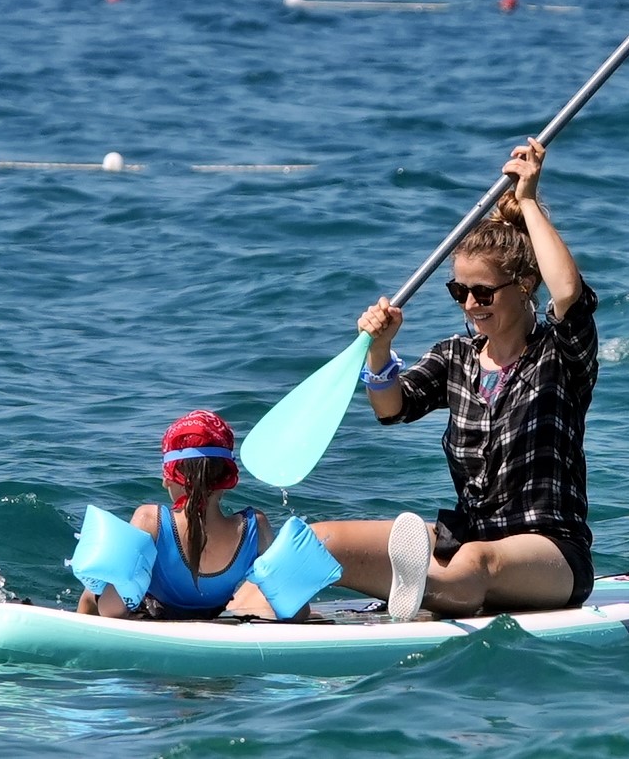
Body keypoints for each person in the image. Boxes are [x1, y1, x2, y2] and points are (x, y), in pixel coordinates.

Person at [313, 137, 598, 620]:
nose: (470, 304)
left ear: (525, 285)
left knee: (474, 562)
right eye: (458, 290)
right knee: (321, 540)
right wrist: (380, 349)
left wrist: (527, 202)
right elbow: (390, 408)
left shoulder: (560, 355)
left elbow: (568, 291)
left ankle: (424, 588)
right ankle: (249, 597)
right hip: (467, 530)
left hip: (551, 554)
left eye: (483, 293)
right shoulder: (455, 356)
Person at [76, 409, 297, 620]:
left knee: (93, 590)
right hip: (213, 615)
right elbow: (296, 611)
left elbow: (112, 610)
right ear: (227, 479)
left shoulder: (150, 520)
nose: (164, 482)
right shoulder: (255, 527)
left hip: (152, 617)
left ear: (170, 476)